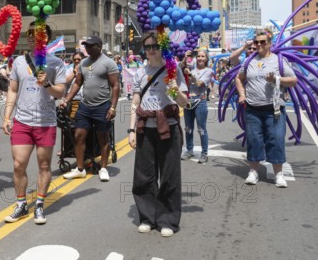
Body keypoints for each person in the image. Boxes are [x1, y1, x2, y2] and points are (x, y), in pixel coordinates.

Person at [2, 22, 66, 225]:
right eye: (29, 34)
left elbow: (60, 92)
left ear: (46, 39)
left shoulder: (56, 63)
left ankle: (39, 204)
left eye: (37, 35)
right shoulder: (19, 62)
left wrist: (47, 83)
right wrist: (7, 116)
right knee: (18, 164)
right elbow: (12, 89)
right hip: (22, 121)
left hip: (45, 122)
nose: (32, 38)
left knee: (44, 165)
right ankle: (21, 204)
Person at [128, 32, 188, 237]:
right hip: (146, 128)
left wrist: (174, 90)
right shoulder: (139, 73)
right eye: (147, 47)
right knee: (144, 175)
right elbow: (135, 103)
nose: (151, 50)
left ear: (162, 47)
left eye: (155, 46)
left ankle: (168, 220)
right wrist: (131, 130)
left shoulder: (173, 70)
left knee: (169, 175)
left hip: (168, 128)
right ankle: (147, 217)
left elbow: (184, 103)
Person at [235, 31, 297, 187]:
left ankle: (279, 174)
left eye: (263, 42)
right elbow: (239, 78)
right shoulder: (249, 61)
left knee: (275, 140)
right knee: (254, 140)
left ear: (270, 43)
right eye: (257, 42)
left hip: (274, 109)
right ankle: (253, 172)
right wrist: (242, 94)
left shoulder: (279, 61)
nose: (259, 45)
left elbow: (293, 80)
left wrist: (277, 79)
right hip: (252, 109)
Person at [61, 37, 120, 181]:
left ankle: (104, 168)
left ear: (99, 46)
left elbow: (115, 86)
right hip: (85, 106)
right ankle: (80, 169)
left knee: (103, 138)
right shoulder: (83, 63)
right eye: (85, 46)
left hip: (102, 106)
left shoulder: (108, 63)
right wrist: (66, 100)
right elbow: (77, 83)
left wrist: (112, 107)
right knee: (78, 135)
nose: (87, 48)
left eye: (90, 46)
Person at [181, 50, 214, 164]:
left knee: (201, 129)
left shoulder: (209, 71)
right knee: (188, 128)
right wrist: (185, 59)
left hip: (200, 101)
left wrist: (190, 75)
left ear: (206, 59)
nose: (200, 58)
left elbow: (200, 83)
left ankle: (204, 153)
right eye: (198, 56)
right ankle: (190, 150)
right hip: (189, 101)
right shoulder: (191, 69)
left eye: (202, 56)